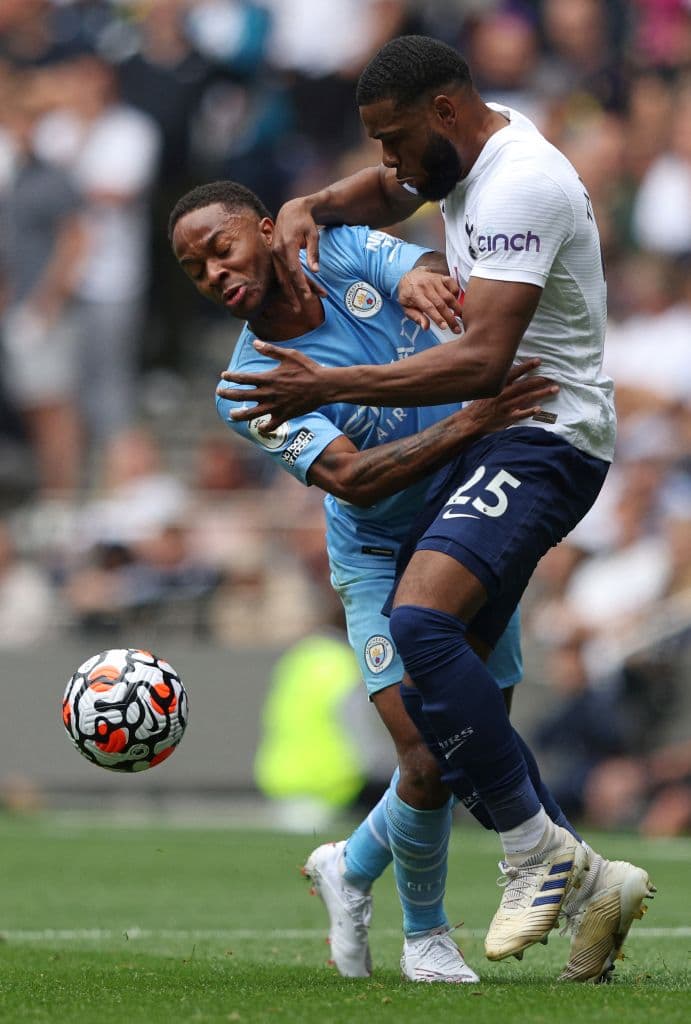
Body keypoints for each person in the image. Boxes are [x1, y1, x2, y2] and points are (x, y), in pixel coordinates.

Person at [215, 35, 655, 980]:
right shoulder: (465, 163)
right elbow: (384, 195)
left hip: (539, 436)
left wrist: (330, 381)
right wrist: (310, 201)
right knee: (450, 725)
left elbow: (481, 362)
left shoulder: (515, 186)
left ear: (445, 114)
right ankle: (591, 885)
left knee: (422, 634)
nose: (389, 164)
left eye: (394, 140)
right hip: (467, 467)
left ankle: (534, 857)